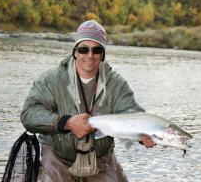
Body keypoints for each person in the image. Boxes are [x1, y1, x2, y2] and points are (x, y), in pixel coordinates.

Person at [20, 20, 156, 182]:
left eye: (97, 50)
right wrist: (66, 122)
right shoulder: (51, 79)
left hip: (101, 160)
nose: (90, 55)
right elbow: (29, 115)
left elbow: (131, 112)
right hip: (57, 158)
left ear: (102, 54)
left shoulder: (116, 83)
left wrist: (142, 135)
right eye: (83, 49)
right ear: (75, 52)